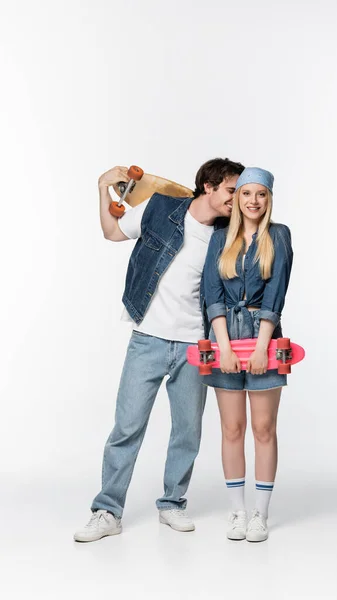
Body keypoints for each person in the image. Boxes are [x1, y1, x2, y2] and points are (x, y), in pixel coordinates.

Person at [74, 158, 245, 542]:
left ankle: (172, 504)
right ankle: (107, 511)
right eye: (233, 190)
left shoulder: (226, 235)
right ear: (209, 186)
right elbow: (113, 233)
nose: (237, 199)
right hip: (147, 337)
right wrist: (103, 188)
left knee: (187, 431)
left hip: (195, 344)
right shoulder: (160, 209)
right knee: (127, 427)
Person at [202, 167, 293, 542]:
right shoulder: (220, 238)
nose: (254, 201)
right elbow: (212, 292)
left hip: (264, 336)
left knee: (263, 428)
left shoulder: (279, 235)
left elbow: (276, 295)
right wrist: (222, 345)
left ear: (269, 199)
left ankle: (261, 514)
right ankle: (237, 512)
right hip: (225, 337)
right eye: (246, 194)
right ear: (236, 198)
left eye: (261, 194)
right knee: (232, 428)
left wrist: (260, 347)